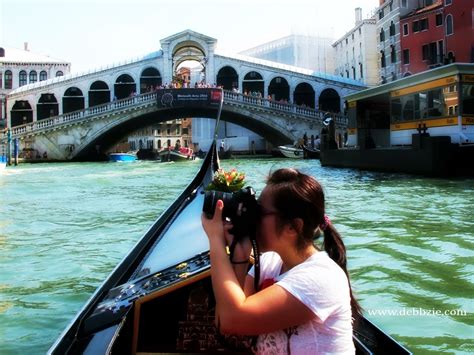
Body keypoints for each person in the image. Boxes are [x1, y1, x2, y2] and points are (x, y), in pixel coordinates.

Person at [202, 168, 360, 354]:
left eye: (259, 212)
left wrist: (215, 240)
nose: (253, 217)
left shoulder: (321, 278)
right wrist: (240, 255)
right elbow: (225, 321)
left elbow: (232, 319)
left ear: (293, 227)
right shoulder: (269, 262)